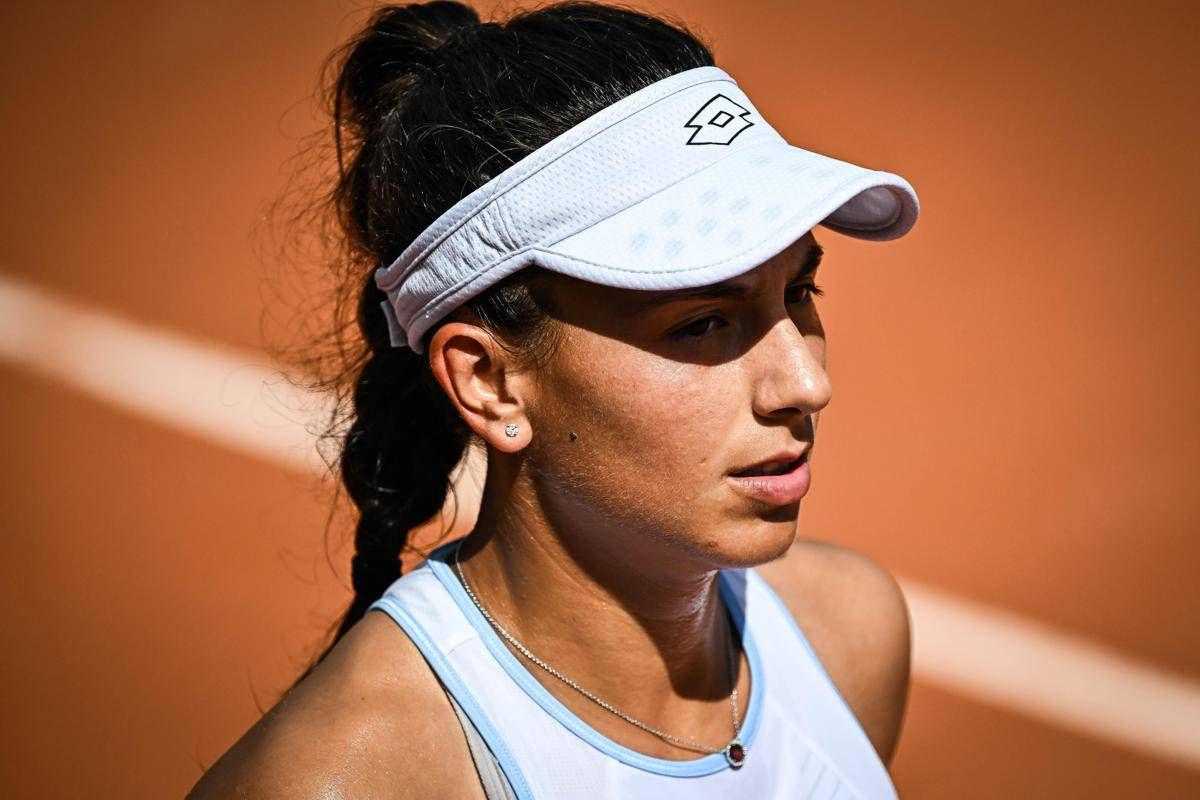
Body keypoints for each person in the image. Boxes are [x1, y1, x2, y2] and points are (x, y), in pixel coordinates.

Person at [188, 1, 920, 797]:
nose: (807, 385)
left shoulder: (851, 634)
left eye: (800, 290)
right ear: (489, 381)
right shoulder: (337, 783)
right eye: (701, 322)